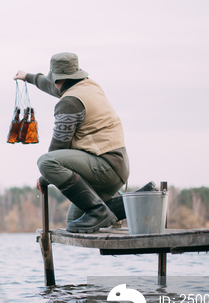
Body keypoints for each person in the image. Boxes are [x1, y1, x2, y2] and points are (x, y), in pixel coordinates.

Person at [14, 52, 129, 233]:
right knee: (74, 221)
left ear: (57, 79)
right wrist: (27, 76)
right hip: (117, 166)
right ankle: (127, 205)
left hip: (105, 167)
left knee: (46, 161)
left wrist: (45, 177)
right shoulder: (88, 86)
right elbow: (50, 85)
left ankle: (98, 211)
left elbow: (58, 149)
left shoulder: (70, 102)